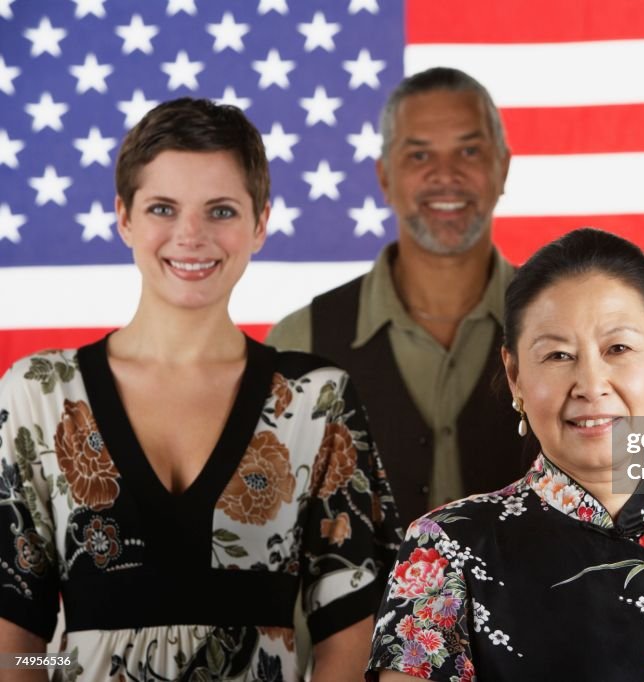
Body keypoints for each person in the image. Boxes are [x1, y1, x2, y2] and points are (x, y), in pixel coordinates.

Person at [0, 98, 402, 681]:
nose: (190, 235)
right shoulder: (39, 395)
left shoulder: (316, 401)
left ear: (260, 223)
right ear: (124, 217)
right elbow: (17, 640)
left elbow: (354, 622)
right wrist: (79, 660)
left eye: (220, 210)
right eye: (163, 207)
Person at [367, 228, 644, 681]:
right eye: (558, 355)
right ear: (515, 375)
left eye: (618, 349)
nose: (591, 385)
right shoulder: (446, 548)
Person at [266, 68, 524, 527]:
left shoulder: (565, 325)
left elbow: (624, 495)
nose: (446, 175)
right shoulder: (302, 341)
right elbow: (272, 531)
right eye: (419, 154)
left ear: (502, 167)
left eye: (469, 150)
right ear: (385, 177)